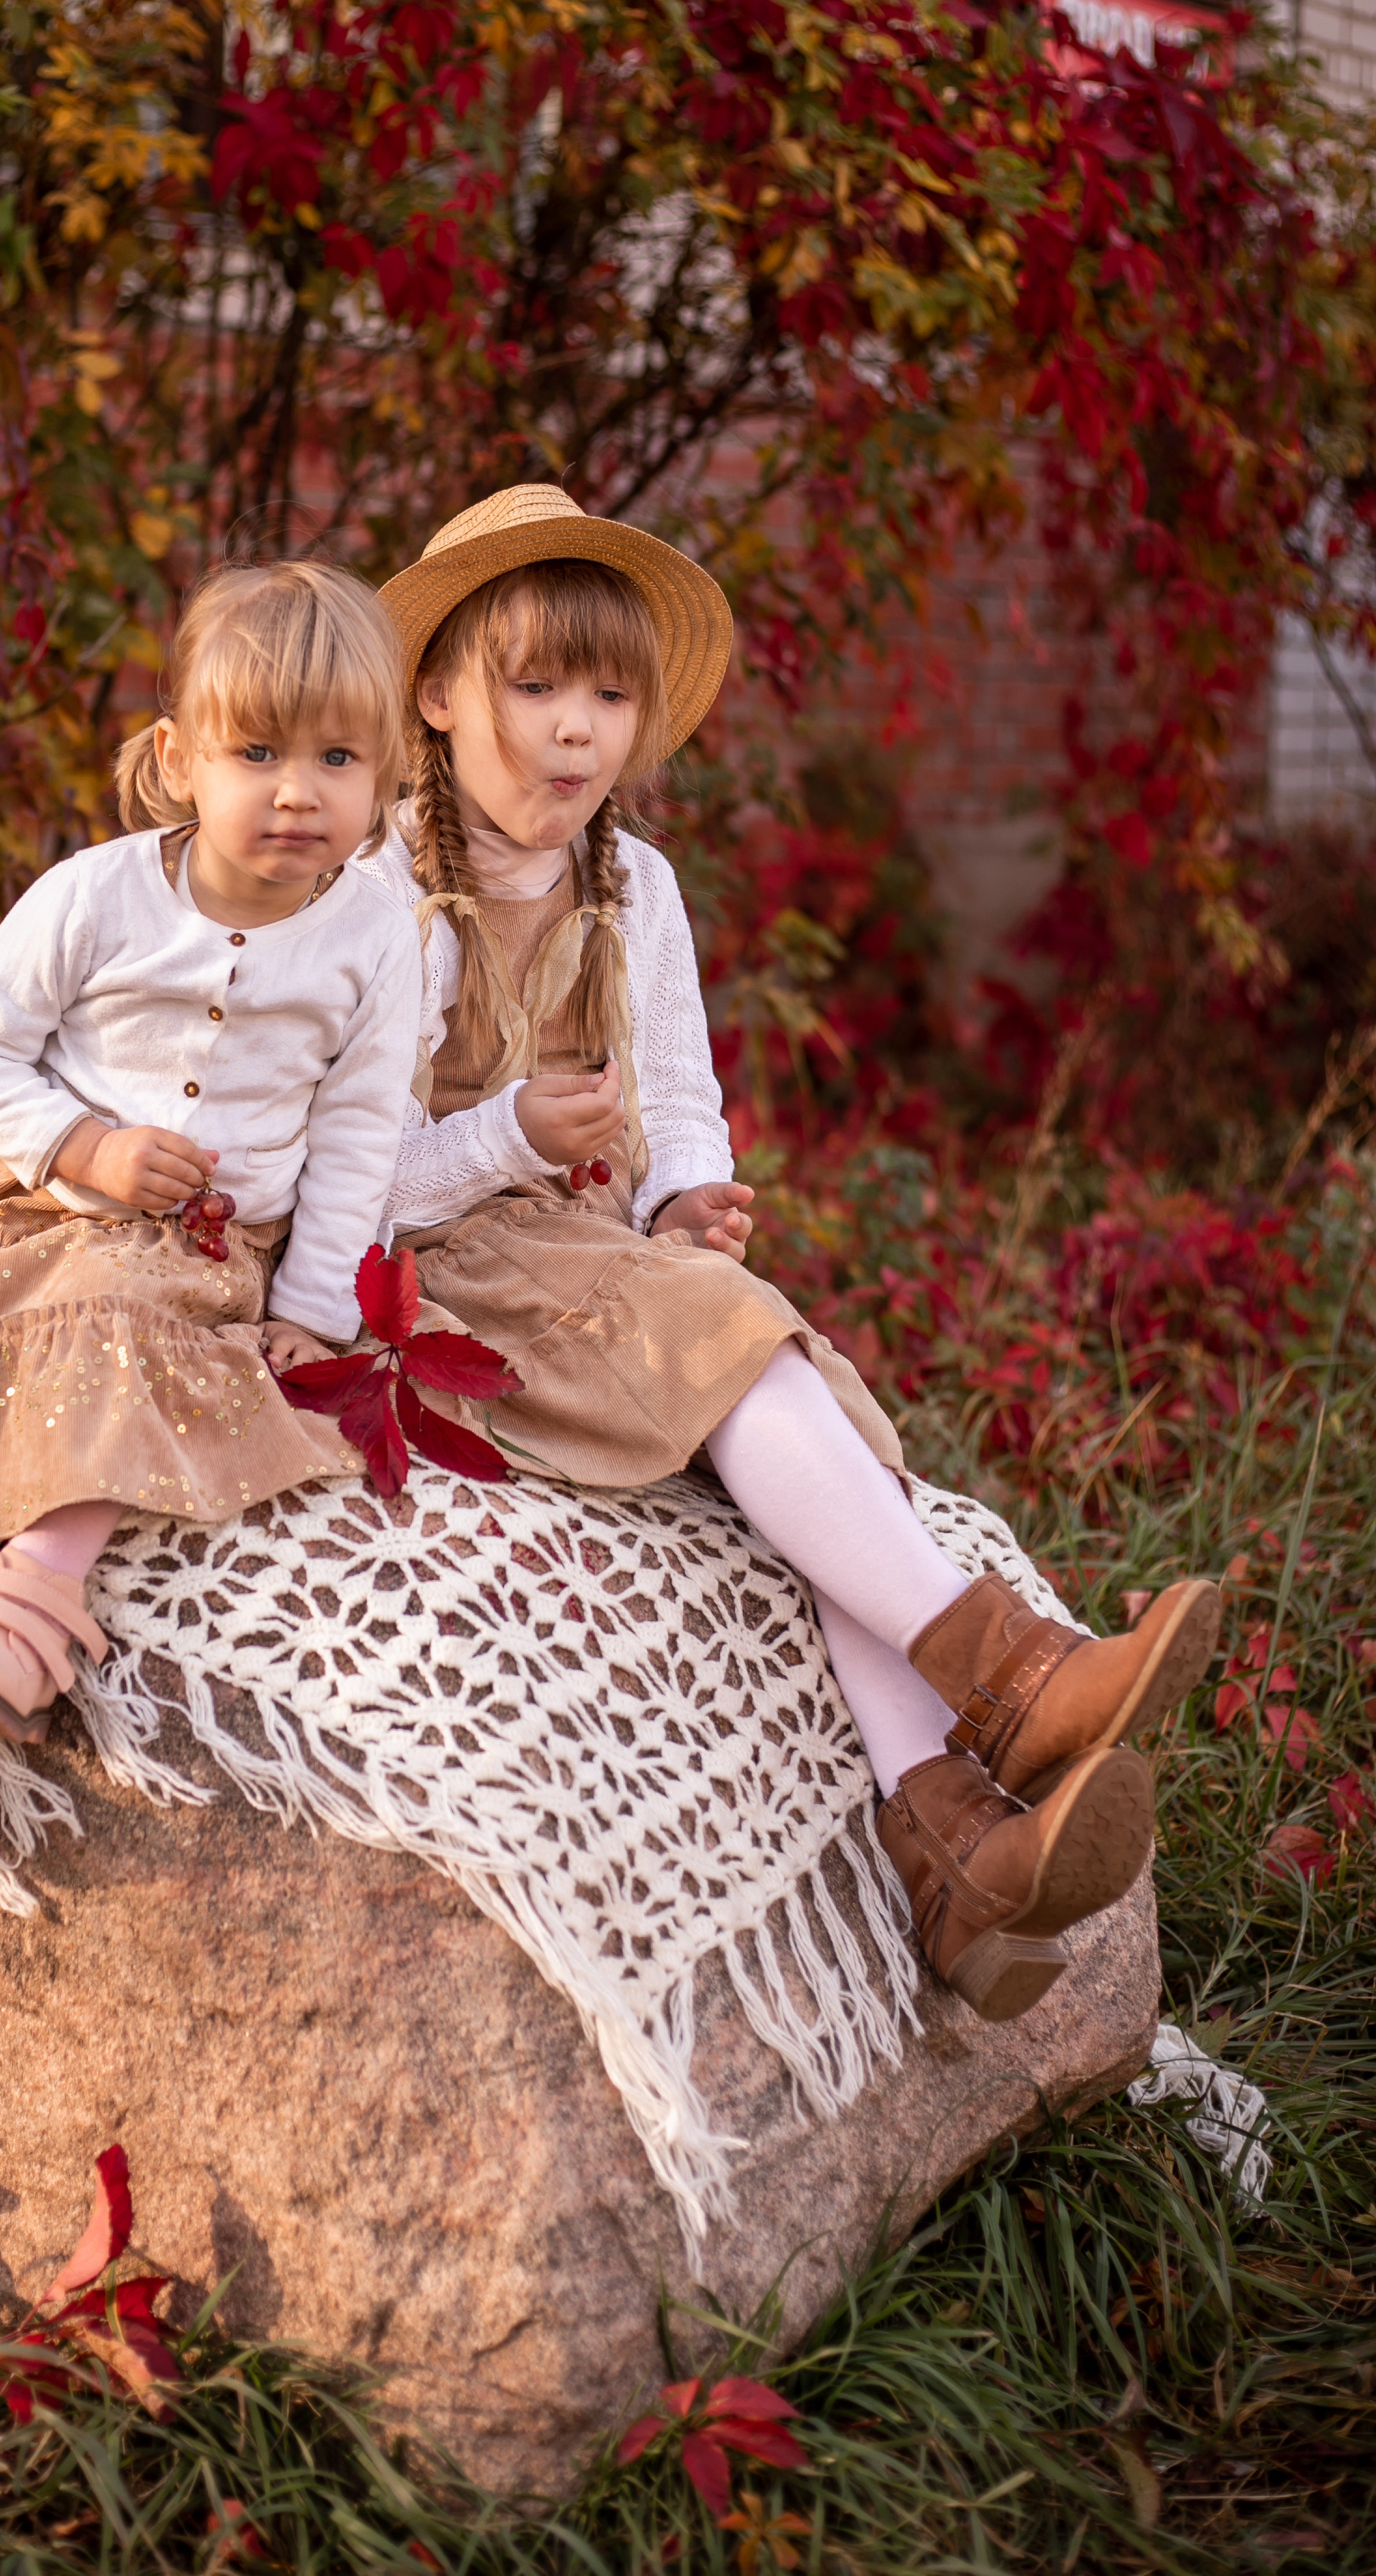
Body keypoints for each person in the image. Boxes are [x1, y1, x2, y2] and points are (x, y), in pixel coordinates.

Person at [361, 484, 1217, 2022]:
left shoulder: (636, 889)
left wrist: (689, 1193)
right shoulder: (384, 897)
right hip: (447, 1272)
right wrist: (508, 1141)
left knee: (813, 1434)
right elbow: (343, 1182)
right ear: (433, 695)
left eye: (607, 695)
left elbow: (678, 1098)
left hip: (590, 1257)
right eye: (533, 685)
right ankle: (1009, 1684)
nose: (574, 731)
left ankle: (948, 1848)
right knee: (737, 1357)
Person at [0, 562, 420, 1825]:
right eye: (259, 751)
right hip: (33, 1210)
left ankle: (30, 1602)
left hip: (192, 1245)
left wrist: (322, 1309)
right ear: (179, 760)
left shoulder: (374, 938)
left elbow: (358, 1131)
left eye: (341, 758)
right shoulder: (95, 895)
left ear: (384, 779)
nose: (299, 790)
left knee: (122, 1323)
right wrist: (83, 1148)